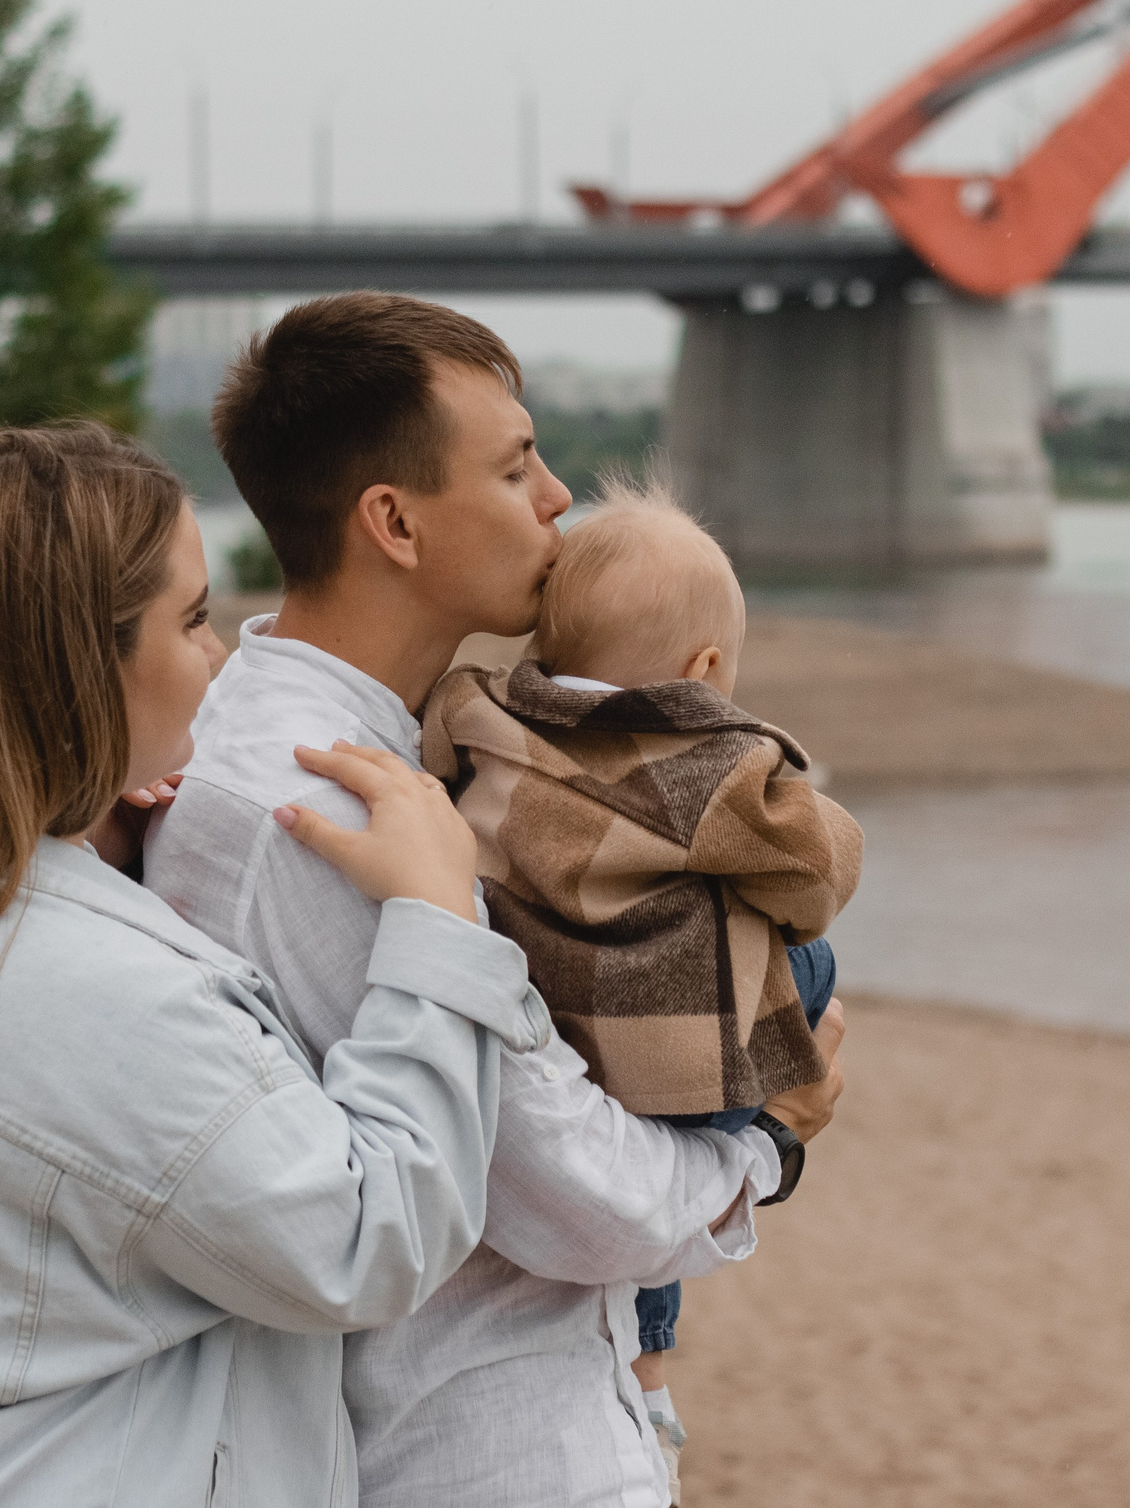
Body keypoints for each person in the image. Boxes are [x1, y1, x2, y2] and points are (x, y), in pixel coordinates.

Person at [0, 423, 555, 1508]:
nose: (218, 655)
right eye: (189, 621)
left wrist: (78, 839)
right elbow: (369, 1238)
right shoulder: (109, 999)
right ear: (85, 672)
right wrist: (435, 915)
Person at [142, 294, 849, 1508]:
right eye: (516, 465)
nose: (557, 497)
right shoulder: (324, 802)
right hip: (473, 1452)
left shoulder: (352, 746)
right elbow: (577, 1194)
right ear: (394, 522)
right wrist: (769, 1143)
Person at [419, 478, 864, 1490]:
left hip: (553, 1016)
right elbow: (818, 872)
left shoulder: (474, 707)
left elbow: (431, 757)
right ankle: (649, 1357)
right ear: (704, 668)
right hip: (668, 1050)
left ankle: (646, 1363)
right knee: (813, 969)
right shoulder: (708, 764)